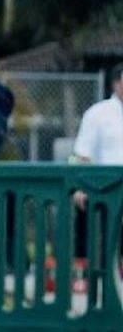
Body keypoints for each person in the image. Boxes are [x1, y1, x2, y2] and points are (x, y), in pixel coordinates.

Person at [71, 62, 123, 268]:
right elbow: (82, 154)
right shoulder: (98, 113)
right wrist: (80, 189)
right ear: (116, 84)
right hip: (107, 192)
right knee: (108, 253)